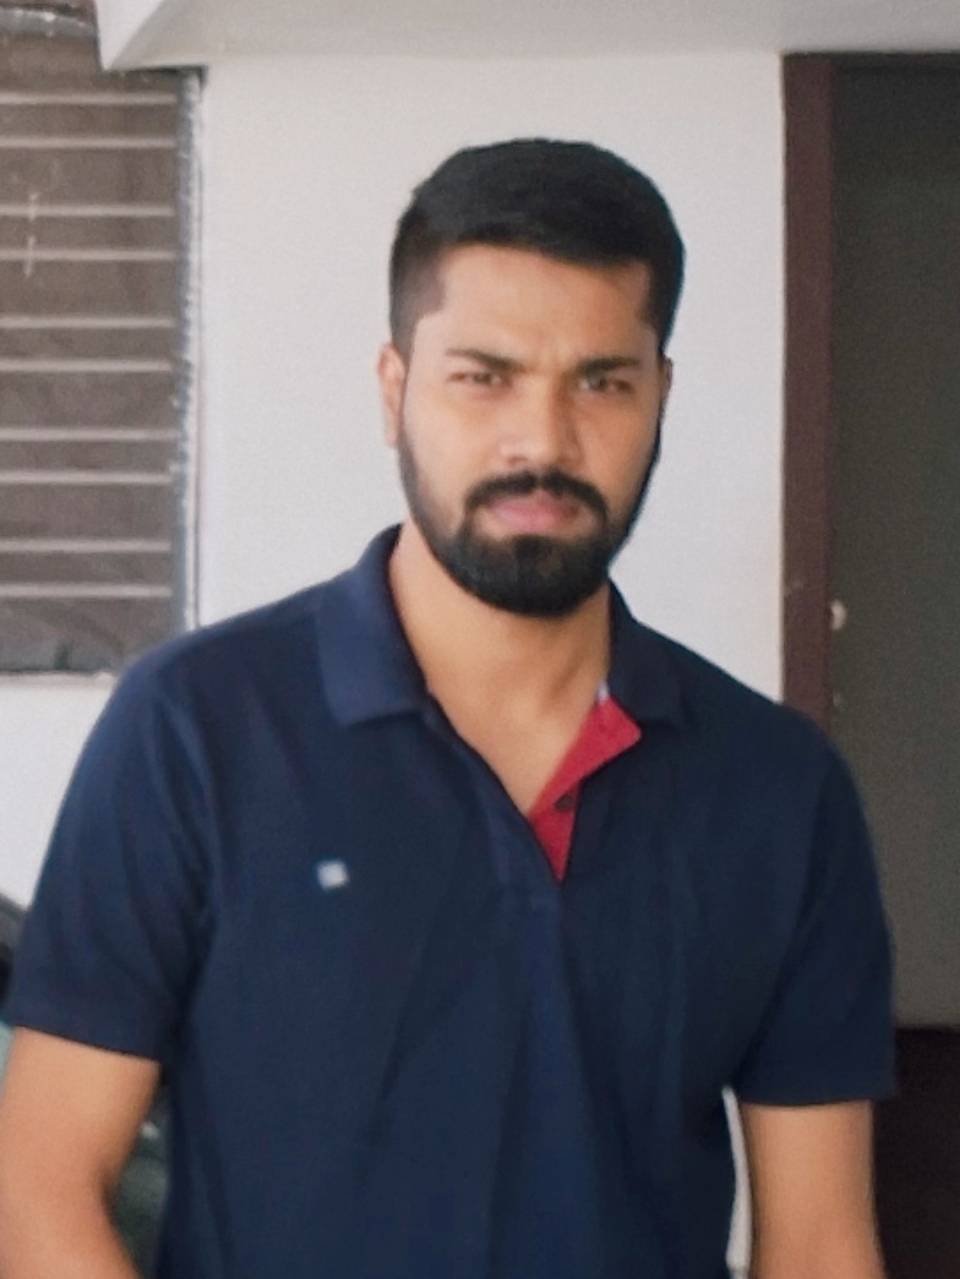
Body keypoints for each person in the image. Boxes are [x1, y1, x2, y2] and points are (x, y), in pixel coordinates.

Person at [0, 139, 892, 1279]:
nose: (543, 442)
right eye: (485, 376)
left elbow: (820, 1243)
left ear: (661, 397)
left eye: (602, 382)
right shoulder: (195, 730)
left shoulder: (779, 790)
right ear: (395, 391)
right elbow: (40, 1188)